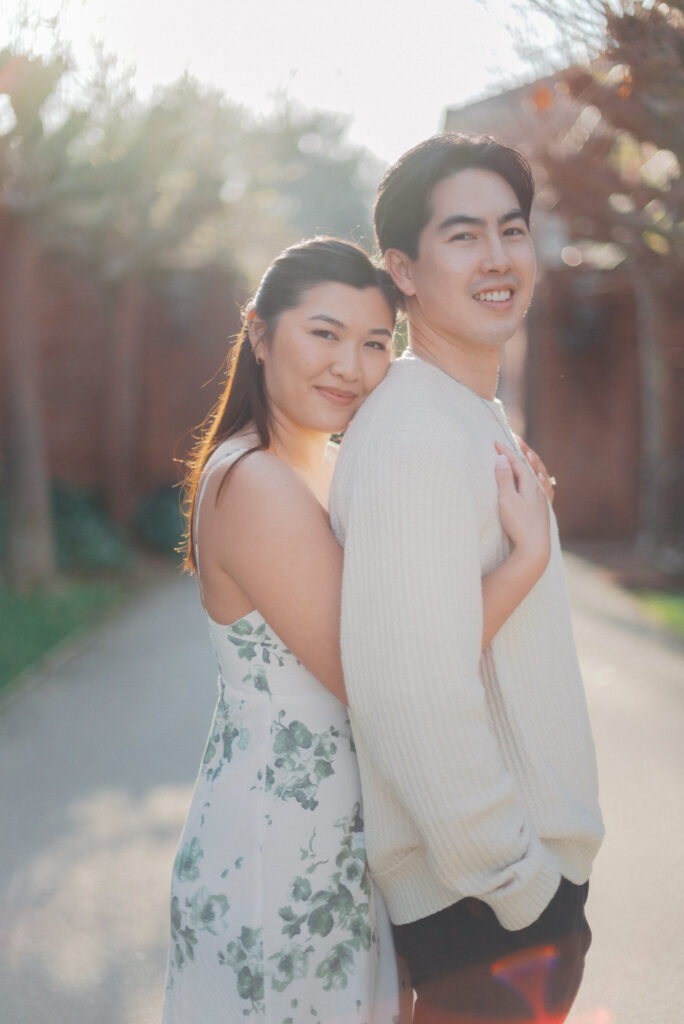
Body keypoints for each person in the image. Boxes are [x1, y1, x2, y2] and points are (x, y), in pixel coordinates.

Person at [161, 236, 555, 1023]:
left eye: (376, 342)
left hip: (341, 843)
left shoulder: (334, 469)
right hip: (281, 851)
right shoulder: (257, 481)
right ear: (262, 334)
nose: (350, 364)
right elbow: (378, 669)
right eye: (324, 333)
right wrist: (524, 559)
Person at [330, 135, 605, 1024]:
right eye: (462, 235)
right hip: (486, 911)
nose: (497, 258)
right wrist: (520, 884)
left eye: (512, 229)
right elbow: (409, 691)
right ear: (402, 271)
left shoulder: (460, 415)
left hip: (504, 901)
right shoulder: (414, 433)